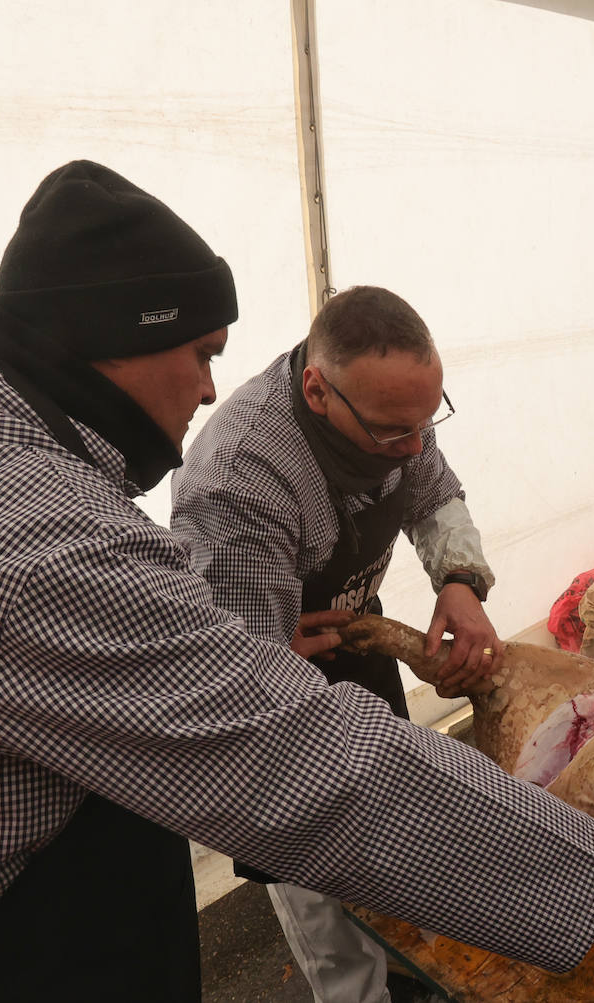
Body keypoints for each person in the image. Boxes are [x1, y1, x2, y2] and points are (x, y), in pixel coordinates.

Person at [0, 161, 594, 1001]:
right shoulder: (197, 494)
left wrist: (459, 581)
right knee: (327, 903)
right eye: (197, 354)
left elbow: (428, 481)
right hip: (12, 937)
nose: (208, 386)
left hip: (321, 656)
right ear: (111, 336)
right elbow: (280, 753)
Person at [170, 284, 503, 1002]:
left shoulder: (395, 406)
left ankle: (403, 974)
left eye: (426, 421)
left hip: (350, 643)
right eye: (392, 432)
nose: (414, 444)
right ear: (318, 391)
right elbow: (234, 680)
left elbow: (431, 488)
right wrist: (264, 643)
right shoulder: (238, 478)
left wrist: (461, 580)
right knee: (320, 886)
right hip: (266, 697)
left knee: (394, 837)